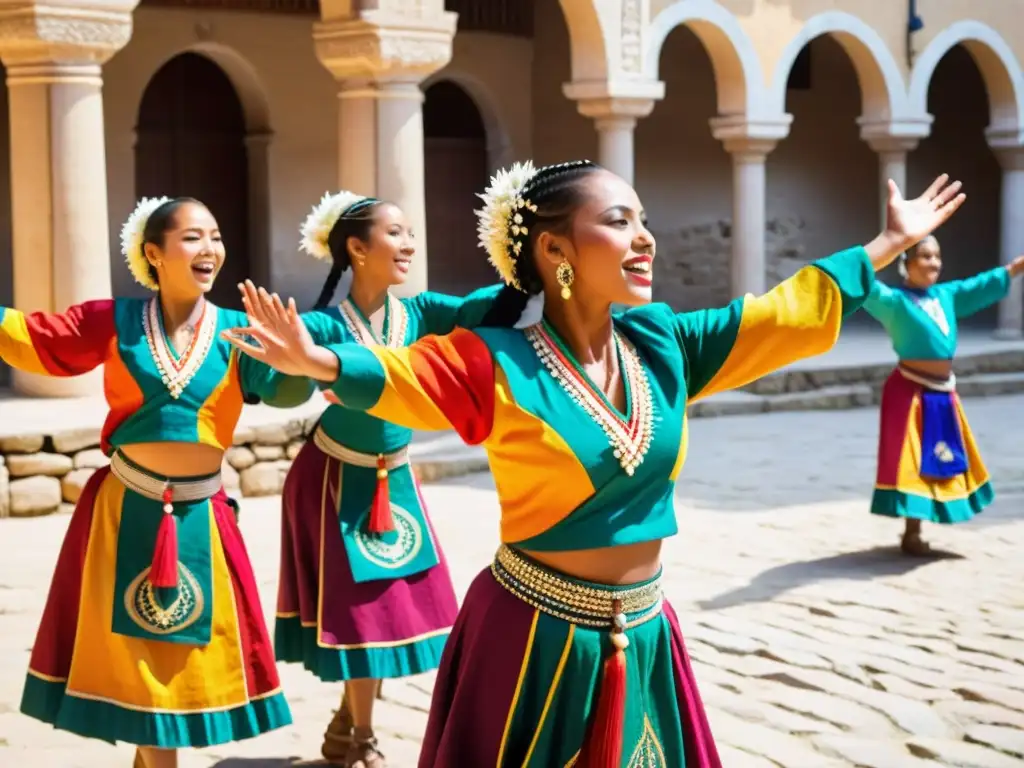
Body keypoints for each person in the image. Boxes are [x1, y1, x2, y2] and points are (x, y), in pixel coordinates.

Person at [222, 160, 965, 767]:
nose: (645, 239)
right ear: (555, 253)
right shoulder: (498, 360)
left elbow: (777, 316)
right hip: (531, 637)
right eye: (619, 222)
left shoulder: (662, 343)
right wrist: (318, 360)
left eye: (643, 220)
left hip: (642, 634)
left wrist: (884, 248)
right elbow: (406, 380)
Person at [5, 197, 310, 768]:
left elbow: (285, 389)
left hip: (200, 517)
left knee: (175, 667)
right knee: (142, 669)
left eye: (215, 236)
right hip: (125, 514)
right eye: (193, 237)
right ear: (154, 253)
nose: (210, 249)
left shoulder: (239, 332)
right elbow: (35, 339)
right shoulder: (113, 322)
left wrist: (294, 360)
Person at [271, 191, 500, 768]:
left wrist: (527, 261)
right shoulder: (322, 323)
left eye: (410, 233)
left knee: (390, 610)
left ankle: (352, 719)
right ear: (356, 248)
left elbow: (483, 309)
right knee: (362, 613)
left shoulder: (420, 314)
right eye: (396, 233)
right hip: (333, 480)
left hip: (393, 479)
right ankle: (363, 738)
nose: (409, 245)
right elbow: (283, 389)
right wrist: (284, 358)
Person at [861, 235, 1024, 555]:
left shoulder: (946, 296)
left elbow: (977, 286)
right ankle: (911, 532)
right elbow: (867, 286)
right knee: (912, 461)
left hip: (942, 390)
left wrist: (1014, 269)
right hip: (908, 390)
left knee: (940, 454)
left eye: (936, 256)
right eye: (924, 256)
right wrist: (876, 252)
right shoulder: (895, 302)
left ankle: (933, 517)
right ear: (905, 264)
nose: (933, 263)